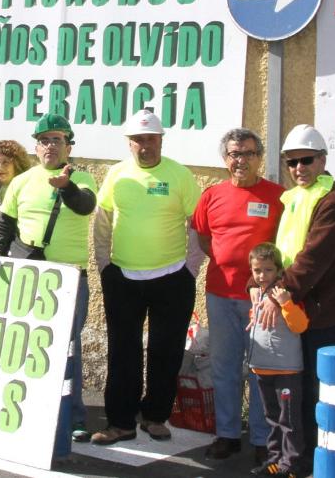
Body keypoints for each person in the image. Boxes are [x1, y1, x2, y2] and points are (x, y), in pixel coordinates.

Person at [0, 113, 96, 442]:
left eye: (57, 140)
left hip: (68, 275)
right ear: (36, 146)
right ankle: (27, 408)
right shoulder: (22, 181)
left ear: (68, 146)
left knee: (68, 347)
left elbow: (86, 206)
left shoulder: (84, 177)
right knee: (25, 341)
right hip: (28, 270)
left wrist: (67, 186)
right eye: (44, 140)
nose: (50, 145)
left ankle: (73, 417)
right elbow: (5, 221)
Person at [90, 108, 201, 445]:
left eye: (150, 138)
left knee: (165, 350)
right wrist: (105, 265)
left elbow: (196, 223)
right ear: (129, 143)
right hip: (123, 277)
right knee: (123, 351)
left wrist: (190, 269)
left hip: (172, 277)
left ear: (160, 140)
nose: (144, 145)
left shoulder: (180, 175)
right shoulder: (116, 175)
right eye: (138, 140)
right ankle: (120, 422)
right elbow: (103, 219)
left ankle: (155, 417)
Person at [258, 123, 335, 471]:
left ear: (323, 160)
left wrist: (277, 294)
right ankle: (294, 459)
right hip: (292, 307)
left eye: (307, 160)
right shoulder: (295, 198)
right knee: (293, 390)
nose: (299, 168)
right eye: (292, 162)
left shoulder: (333, 202)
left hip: (321, 312)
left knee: (315, 391)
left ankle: (318, 461)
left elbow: (313, 258)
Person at [191, 127, 284, 463]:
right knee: (224, 368)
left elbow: (284, 248)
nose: (240, 160)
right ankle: (227, 434)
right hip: (219, 294)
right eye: (234, 153)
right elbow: (203, 239)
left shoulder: (276, 196)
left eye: (247, 153)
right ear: (225, 158)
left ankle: (262, 438)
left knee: (260, 371)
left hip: (260, 301)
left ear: (259, 158)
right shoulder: (212, 195)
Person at [247, 242, 308, 478]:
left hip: (286, 370)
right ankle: (274, 461)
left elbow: (300, 325)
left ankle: (291, 465)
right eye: (257, 271)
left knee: (289, 421)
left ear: (280, 271)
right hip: (262, 368)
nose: (262, 275)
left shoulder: (284, 296)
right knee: (272, 419)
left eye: (268, 270)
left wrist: (286, 303)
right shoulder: (257, 293)